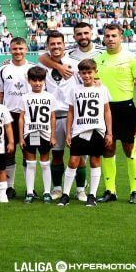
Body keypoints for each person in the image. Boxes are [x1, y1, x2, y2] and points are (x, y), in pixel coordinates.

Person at [95, 24, 136, 204]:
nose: (110, 39)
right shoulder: (98, 59)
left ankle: (134, 191)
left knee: (130, 149)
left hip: (125, 108)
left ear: (121, 38)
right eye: (107, 36)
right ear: (103, 38)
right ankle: (110, 190)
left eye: (114, 36)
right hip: (104, 109)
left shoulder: (132, 58)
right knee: (108, 148)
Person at [41, 31, 87, 200]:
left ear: (64, 44)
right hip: (53, 117)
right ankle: (58, 188)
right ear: (47, 46)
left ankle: (80, 189)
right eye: (52, 44)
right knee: (57, 154)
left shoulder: (75, 65)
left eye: (59, 43)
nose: (56, 47)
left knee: (79, 155)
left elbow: (86, 85)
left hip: (74, 117)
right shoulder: (41, 66)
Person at [61, 59, 113, 207]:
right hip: (79, 131)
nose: (86, 76)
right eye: (83, 73)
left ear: (95, 72)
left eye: (89, 72)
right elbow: (70, 112)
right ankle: (65, 195)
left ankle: (92, 195)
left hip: (97, 130)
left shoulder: (102, 89)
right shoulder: (75, 90)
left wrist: (109, 133)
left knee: (95, 161)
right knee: (73, 161)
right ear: (79, 74)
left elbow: (107, 111)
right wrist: (69, 133)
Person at [0, 37, 35, 198]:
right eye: (14, 49)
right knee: (8, 151)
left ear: (26, 50)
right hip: (9, 116)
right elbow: (1, 93)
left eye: (21, 49)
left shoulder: (33, 69)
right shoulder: (3, 69)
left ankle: (30, 189)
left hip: (29, 115)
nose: (18, 52)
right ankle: (9, 187)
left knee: (28, 152)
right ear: (10, 49)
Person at [13, 67, 56, 204]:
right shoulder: (25, 97)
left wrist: (53, 136)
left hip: (45, 134)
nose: (37, 83)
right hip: (30, 133)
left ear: (44, 81)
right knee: (30, 163)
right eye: (34, 80)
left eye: (40, 80)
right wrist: (20, 137)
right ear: (29, 81)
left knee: (44, 163)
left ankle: (47, 192)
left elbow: (52, 117)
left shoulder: (50, 97)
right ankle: (30, 192)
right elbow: (21, 117)